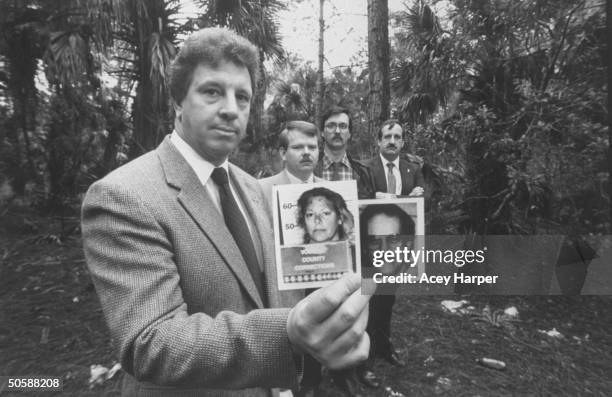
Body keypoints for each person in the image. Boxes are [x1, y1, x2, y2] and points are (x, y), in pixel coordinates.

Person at [81, 27, 371, 397]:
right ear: (178, 102)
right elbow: (150, 342)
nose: (231, 109)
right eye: (212, 91)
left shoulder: (253, 187)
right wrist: (287, 336)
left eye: (243, 97)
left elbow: (269, 292)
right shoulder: (124, 196)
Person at [357, 204, 415, 389]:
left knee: (385, 308)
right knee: (367, 315)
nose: (384, 250)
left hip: (389, 278)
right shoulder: (363, 265)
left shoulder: (401, 262)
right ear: (365, 245)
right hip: (367, 277)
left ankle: (383, 346)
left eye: (393, 239)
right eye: (374, 241)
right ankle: (363, 362)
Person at [258, 120, 323, 210]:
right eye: (298, 147)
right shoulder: (262, 189)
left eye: (312, 147)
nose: (306, 153)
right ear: (283, 154)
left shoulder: (331, 189)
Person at [314, 106, 372, 199]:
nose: (337, 131)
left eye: (343, 126)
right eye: (331, 126)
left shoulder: (364, 173)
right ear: (322, 132)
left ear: (349, 134)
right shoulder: (309, 170)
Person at [364, 119, 424, 198]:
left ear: (402, 143)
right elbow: (362, 198)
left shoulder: (414, 170)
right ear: (379, 141)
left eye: (397, 137)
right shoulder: (365, 169)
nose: (392, 142)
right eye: (387, 137)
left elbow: (422, 200)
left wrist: (381, 197)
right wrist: (409, 197)